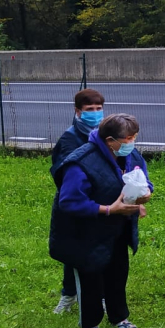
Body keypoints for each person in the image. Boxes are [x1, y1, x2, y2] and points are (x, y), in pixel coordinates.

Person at [49, 113, 152, 328]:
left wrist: (145, 194)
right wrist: (108, 209)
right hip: (85, 232)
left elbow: (143, 177)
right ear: (109, 140)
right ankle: (90, 325)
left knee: (118, 274)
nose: (132, 142)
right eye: (128, 138)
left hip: (117, 230)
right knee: (90, 278)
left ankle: (120, 318)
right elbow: (69, 201)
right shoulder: (81, 161)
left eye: (134, 137)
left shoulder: (130, 154)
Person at [49, 88, 106, 315]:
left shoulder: (106, 133)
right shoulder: (70, 138)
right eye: (89, 109)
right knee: (74, 252)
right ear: (77, 111)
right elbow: (62, 173)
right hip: (78, 205)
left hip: (102, 204)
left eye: (98, 109)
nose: (95, 114)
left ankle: (100, 296)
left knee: (101, 251)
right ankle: (69, 294)